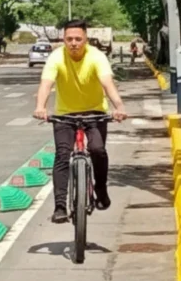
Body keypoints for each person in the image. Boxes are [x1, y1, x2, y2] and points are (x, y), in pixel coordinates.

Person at [33, 19, 128, 224]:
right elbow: (46, 84)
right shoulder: (56, 57)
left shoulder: (96, 56)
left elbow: (107, 83)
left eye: (78, 39)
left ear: (86, 39)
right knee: (62, 154)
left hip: (95, 112)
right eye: (69, 39)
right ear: (63, 40)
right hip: (65, 115)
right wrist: (41, 107)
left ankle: (100, 189)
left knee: (97, 150)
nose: (74, 43)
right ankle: (60, 206)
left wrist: (119, 106)